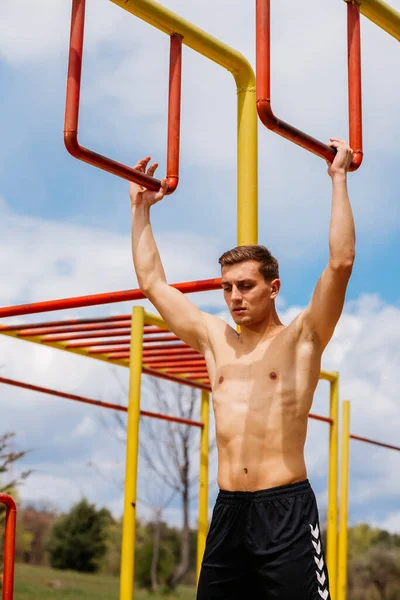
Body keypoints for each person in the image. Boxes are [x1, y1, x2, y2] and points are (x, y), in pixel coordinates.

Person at [129, 138, 355, 600]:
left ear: (273, 288)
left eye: (246, 285)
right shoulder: (215, 340)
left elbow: (340, 262)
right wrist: (141, 210)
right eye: (228, 287)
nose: (235, 296)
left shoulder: (302, 339)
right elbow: (152, 283)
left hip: (286, 512)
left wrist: (338, 179)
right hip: (229, 512)